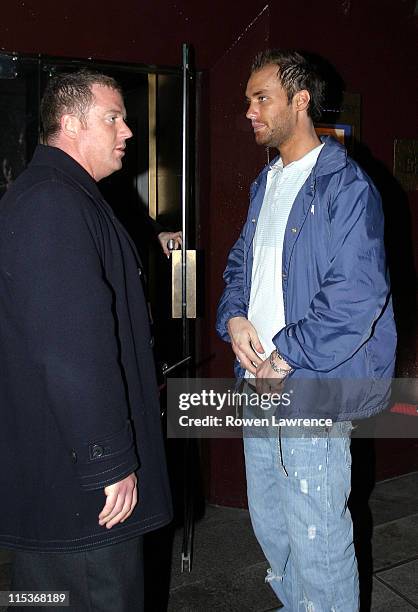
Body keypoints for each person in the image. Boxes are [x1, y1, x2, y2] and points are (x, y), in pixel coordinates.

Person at [216, 50, 396, 611]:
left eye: (260, 97)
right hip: (260, 378)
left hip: (309, 379)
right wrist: (234, 316)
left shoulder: (347, 187)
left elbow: (356, 297)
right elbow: (241, 264)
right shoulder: (267, 183)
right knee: (272, 518)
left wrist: (285, 354)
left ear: (300, 102)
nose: (249, 110)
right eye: (247, 100)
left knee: (317, 529)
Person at [0, 69, 172, 611]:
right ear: (71, 123)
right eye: (113, 117)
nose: (127, 132)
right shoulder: (53, 203)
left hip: (60, 471)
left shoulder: (57, 194)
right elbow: (71, 347)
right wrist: (109, 460)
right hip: (83, 491)